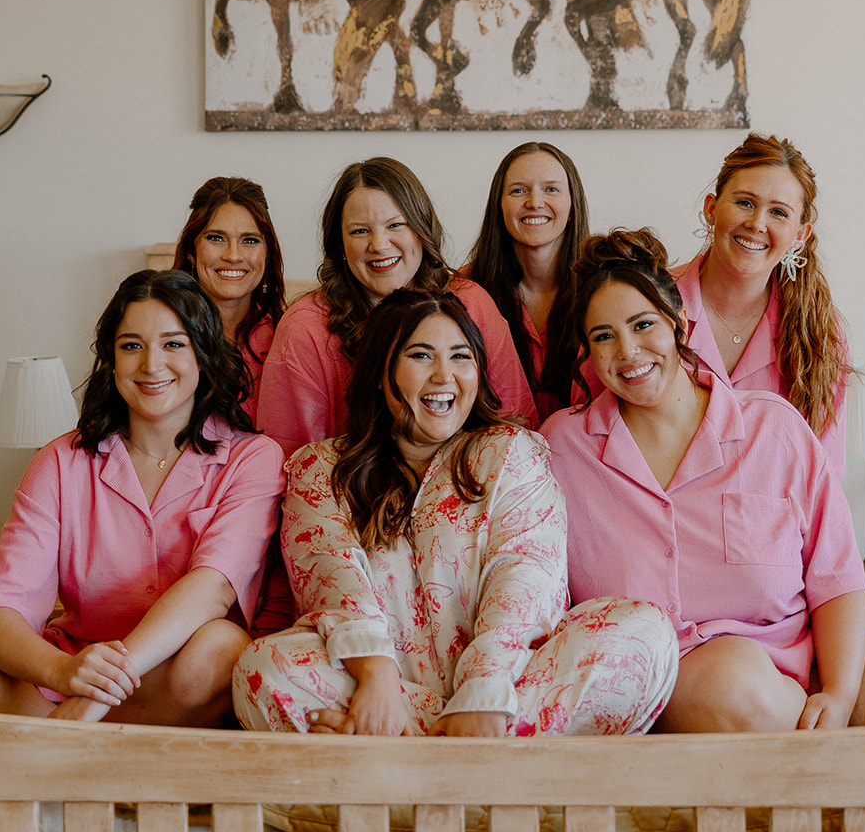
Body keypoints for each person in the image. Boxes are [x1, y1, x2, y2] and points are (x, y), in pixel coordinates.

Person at [543, 230, 865, 731]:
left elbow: (837, 576)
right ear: (588, 351)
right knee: (738, 689)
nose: (628, 351)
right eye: (604, 336)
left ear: (679, 321)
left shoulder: (774, 427)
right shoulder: (562, 449)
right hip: (697, 675)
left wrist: (838, 691)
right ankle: (845, 780)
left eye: (643, 325)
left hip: (820, 650)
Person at [235, 289, 676, 736]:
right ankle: (486, 763)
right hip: (379, 689)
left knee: (644, 633)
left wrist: (483, 694)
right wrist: (377, 678)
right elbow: (333, 579)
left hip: (509, 687)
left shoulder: (512, 452)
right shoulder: (319, 469)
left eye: (460, 356)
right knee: (264, 668)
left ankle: (411, 752)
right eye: (421, 356)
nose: (444, 376)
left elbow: (524, 575)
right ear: (380, 369)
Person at [0, 271, 284, 725]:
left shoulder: (253, 457)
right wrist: (64, 672)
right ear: (111, 358)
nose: (151, 364)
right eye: (131, 345)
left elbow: (212, 589)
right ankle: (87, 748)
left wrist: (98, 695)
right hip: (65, 678)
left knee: (221, 647)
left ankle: (56, 741)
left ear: (203, 353)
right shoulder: (60, 460)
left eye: (173, 344)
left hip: (171, 683)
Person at [256, 156, 538, 458]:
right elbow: (291, 459)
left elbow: (516, 425)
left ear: (421, 230)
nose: (379, 245)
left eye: (396, 225)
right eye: (359, 231)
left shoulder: (472, 304)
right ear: (338, 244)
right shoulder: (306, 328)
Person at [673, 133, 849, 475]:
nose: (757, 223)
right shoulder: (645, 303)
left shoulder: (820, 333)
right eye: (744, 203)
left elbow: (821, 479)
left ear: (801, 234)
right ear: (711, 208)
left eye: (779, 212)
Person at [462, 142, 589, 422]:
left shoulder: (603, 287)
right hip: (495, 457)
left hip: (585, 457)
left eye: (551, 189)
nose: (534, 202)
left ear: (572, 206)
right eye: (518, 190)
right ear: (500, 206)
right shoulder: (464, 291)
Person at [173, 176, 286, 424]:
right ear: (192, 251)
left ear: (267, 256)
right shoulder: (163, 332)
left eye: (249, 240)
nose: (233, 255)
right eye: (216, 238)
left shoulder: (287, 337)